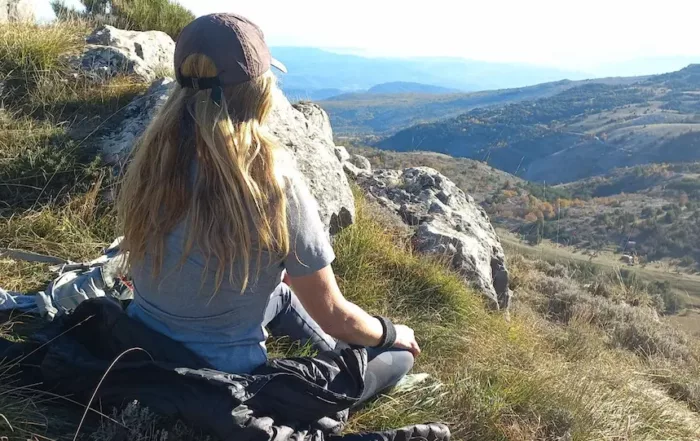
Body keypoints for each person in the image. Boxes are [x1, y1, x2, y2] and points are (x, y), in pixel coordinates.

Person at [116, 13, 420, 407]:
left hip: (143, 340)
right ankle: (341, 366)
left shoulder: (153, 158)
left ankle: (333, 356)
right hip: (227, 377)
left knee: (281, 293)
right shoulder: (271, 178)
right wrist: (392, 332)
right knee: (397, 357)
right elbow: (332, 314)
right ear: (258, 90)